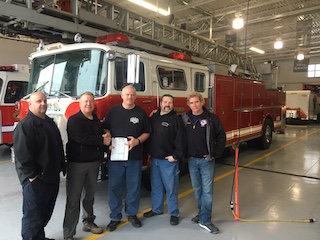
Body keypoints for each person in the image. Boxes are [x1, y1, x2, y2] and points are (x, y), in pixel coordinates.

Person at [13, 92, 65, 240]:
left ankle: (39, 237)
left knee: (43, 213)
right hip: (36, 181)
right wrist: (33, 177)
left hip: (51, 177)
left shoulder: (48, 122)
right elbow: (23, 157)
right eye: (38, 101)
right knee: (33, 216)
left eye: (44, 101)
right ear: (30, 105)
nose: (42, 104)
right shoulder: (25, 126)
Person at [63, 92, 111, 240]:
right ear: (80, 103)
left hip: (93, 164)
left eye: (91, 101)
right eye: (85, 101)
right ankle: (69, 233)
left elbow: (102, 136)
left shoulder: (96, 121)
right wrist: (101, 140)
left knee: (89, 196)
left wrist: (107, 139)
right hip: (77, 165)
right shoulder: (74, 120)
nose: (88, 104)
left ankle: (88, 221)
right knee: (73, 199)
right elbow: (80, 138)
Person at [104, 85, 151, 231]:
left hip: (134, 157)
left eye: (132, 95)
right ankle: (115, 216)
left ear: (135, 96)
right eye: (127, 94)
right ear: (122, 96)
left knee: (134, 187)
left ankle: (132, 214)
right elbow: (106, 128)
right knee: (114, 187)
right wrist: (108, 137)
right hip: (116, 158)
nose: (129, 97)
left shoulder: (141, 113)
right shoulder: (113, 111)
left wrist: (137, 141)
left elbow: (147, 132)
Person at [181, 92, 226, 234]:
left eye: (196, 102)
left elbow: (221, 137)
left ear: (202, 102)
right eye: (191, 103)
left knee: (207, 191)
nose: (194, 105)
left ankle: (205, 220)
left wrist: (215, 154)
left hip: (206, 160)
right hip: (192, 160)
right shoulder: (184, 118)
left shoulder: (212, 119)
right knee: (197, 189)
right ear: (188, 105)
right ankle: (202, 213)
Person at [144, 94, 186, 225]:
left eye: (170, 103)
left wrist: (176, 156)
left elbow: (181, 140)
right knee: (156, 187)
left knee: (171, 188)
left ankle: (174, 213)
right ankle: (157, 209)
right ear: (160, 103)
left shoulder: (176, 120)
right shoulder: (153, 118)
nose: (167, 105)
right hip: (155, 160)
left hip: (168, 161)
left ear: (173, 105)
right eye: (165, 102)